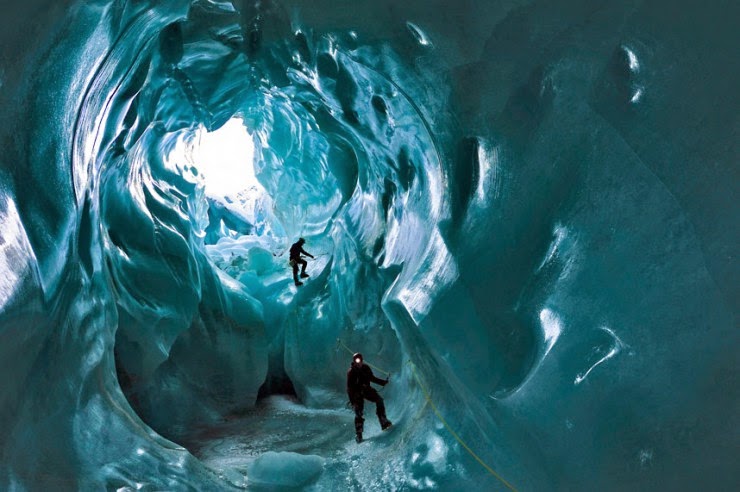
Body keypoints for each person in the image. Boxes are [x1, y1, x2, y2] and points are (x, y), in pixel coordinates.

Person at [347, 352, 392, 443]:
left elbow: (372, 378)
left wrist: (383, 382)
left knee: (379, 400)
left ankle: (383, 421)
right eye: (356, 361)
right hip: (357, 394)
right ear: (354, 362)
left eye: (360, 360)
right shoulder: (351, 372)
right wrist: (353, 402)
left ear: (362, 360)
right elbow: (349, 389)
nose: (358, 363)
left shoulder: (366, 368)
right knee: (358, 413)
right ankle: (359, 434)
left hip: (366, 390)